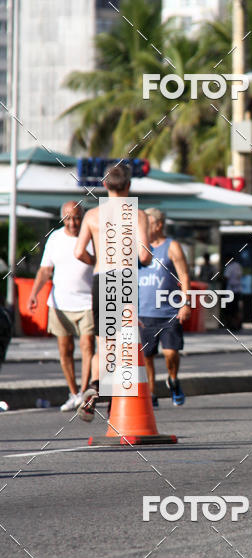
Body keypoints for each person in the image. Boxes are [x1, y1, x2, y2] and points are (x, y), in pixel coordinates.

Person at [74, 163, 152, 421]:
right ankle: (116, 401)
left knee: (103, 342)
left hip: (101, 277)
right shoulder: (137, 215)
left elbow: (78, 252)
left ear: (104, 185)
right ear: (128, 185)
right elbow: (144, 254)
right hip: (125, 278)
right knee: (126, 342)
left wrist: (95, 261)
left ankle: (96, 385)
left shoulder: (93, 216)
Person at [28, 201, 94, 411]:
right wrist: (33, 294)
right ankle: (73, 393)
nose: (73, 222)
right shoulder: (55, 238)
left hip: (88, 302)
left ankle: (85, 394)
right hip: (60, 302)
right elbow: (45, 270)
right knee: (65, 349)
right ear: (62, 218)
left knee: (87, 346)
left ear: (82, 218)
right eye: (69, 218)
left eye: (77, 217)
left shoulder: (92, 235)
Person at [138, 208, 191, 407]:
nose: (143, 228)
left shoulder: (172, 247)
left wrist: (185, 303)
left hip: (169, 310)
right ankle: (152, 391)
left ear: (158, 225)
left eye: (147, 224)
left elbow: (184, 275)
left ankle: (173, 380)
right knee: (147, 356)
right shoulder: (139, 247)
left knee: (171, 353)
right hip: (144, 311)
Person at [222, 256, 243, 331]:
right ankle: (237, 324)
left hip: (230, 290)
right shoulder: (238, 266)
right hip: (238, 289)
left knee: (230, 309)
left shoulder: (229, 267)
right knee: (236, 308)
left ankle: (232, 324)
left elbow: (226, 277)